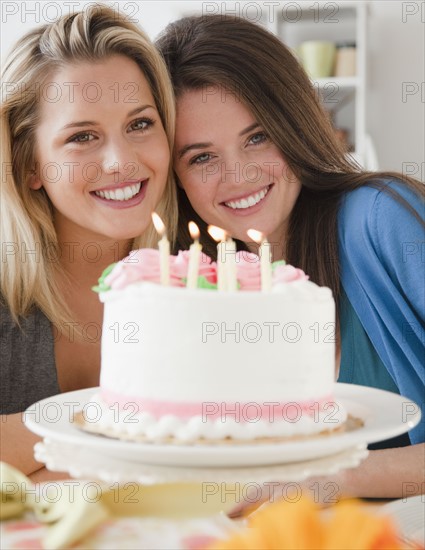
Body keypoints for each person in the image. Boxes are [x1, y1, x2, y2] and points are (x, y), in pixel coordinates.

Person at [156, 14, 425, 500]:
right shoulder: (191, 284)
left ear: (294, 123)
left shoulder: (381, 220)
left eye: (257, 137)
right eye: (202, 157)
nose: (238, 174)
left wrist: (323, 482)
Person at [0, 5, 177, 479]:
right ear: (29, 165)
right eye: (82, 136)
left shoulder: (205, 279)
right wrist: (119, 424)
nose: (121, 161)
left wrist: (30, 445)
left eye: (140, 123)